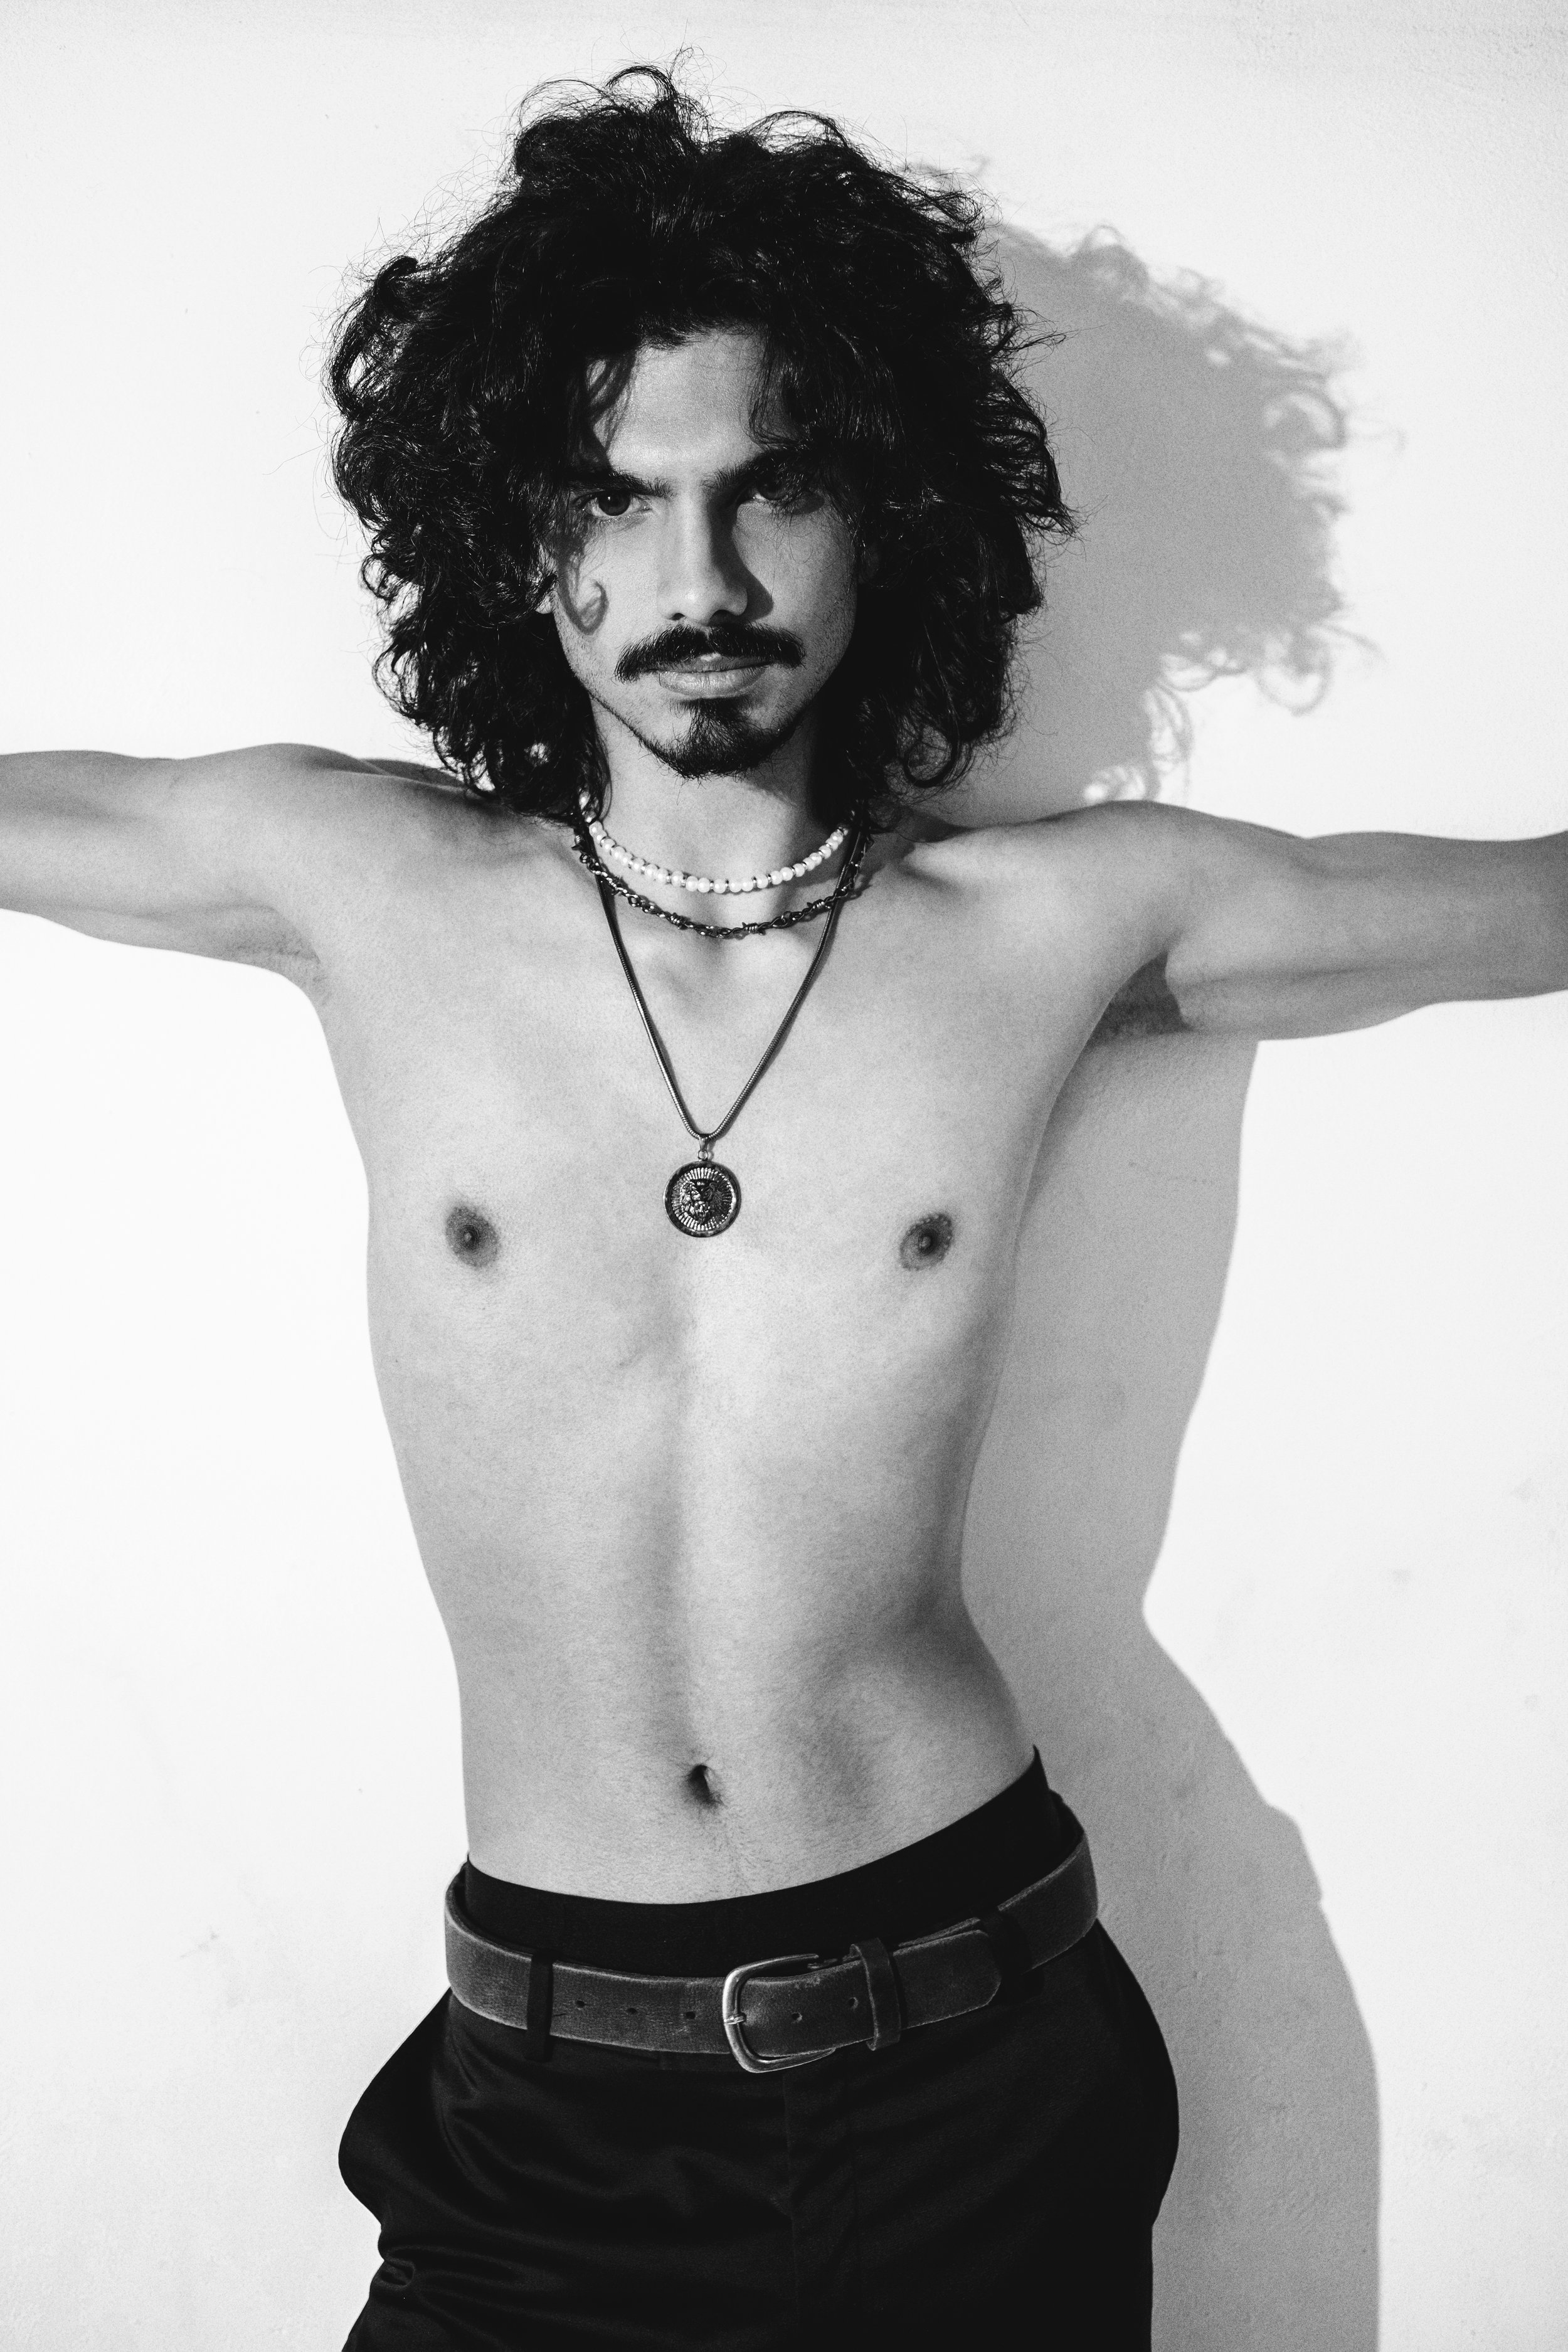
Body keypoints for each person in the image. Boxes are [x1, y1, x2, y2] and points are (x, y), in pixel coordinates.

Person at [3, 65, 1562, 2351]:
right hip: (545, 2119)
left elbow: (1532, 902)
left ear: (885, 514)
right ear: (508, 537)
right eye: (612, 501)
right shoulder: (364, 883)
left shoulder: (1057, 928)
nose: (698, 582)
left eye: (772, 490)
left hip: (976, 2063)